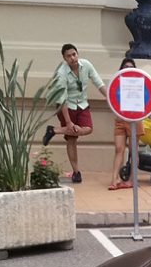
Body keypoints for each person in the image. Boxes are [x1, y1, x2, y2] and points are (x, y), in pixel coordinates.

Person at [43, 43, 106, 184]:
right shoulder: (62, 73)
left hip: (82, 104)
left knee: (88, 129)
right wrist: (69, 122)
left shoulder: (86, 65)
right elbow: (62, 98)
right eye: (68, 56)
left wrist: (110, 98)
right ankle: (76, 172)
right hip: (66, 106)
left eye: (74, 54)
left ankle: (53, 130)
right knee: (72, 139)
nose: (72, 58)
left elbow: (98, 83)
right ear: (64, 59)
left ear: (77, 54)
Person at [108, 58, 138, 190]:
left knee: (133, 151)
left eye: (131, 67)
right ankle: (114, 179)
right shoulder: (117, 83)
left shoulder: (139, 83)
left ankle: (132, 179)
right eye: (125, 66)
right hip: (120, 118)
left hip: (135, 119)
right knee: (119, 149)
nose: (128, 68)